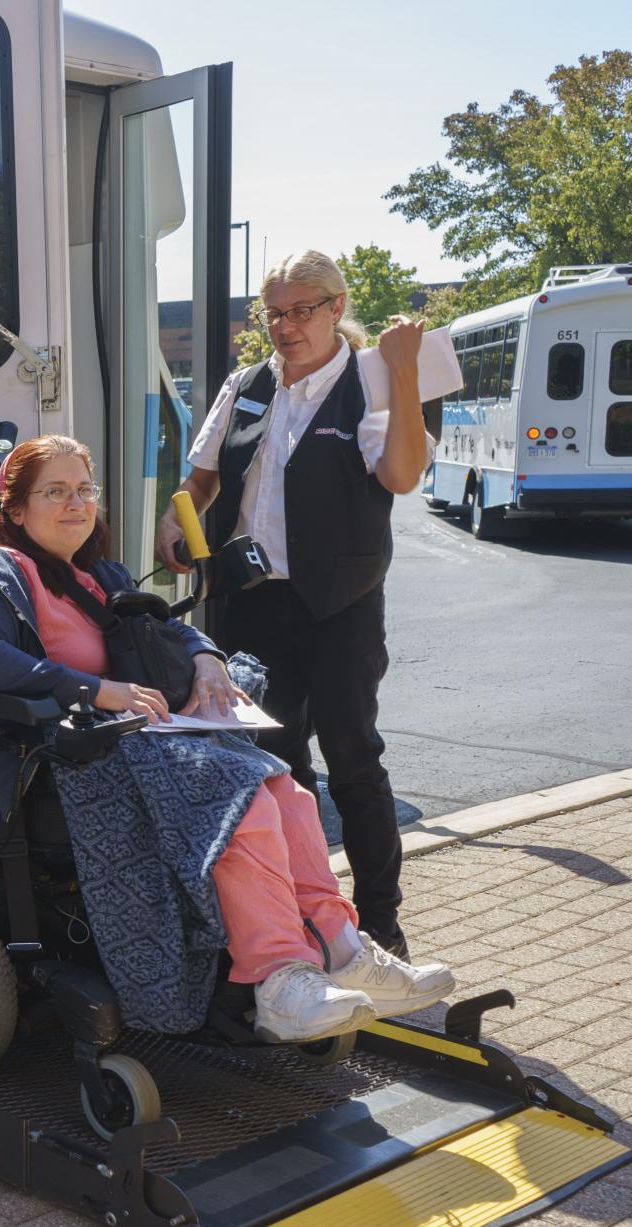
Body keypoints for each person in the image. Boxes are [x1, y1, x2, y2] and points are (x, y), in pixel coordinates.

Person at [0, 435, 453, 1042]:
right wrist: (93, 690)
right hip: (62, 756)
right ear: (15, 508)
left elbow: (161, 631)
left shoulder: (97, 574)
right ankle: (280, 975)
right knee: (242, 802)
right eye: (54, 491)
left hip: (136, 740)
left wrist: (207, 657)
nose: (75, 503)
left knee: (289, 794)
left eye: (84, 489)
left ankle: (340, 947)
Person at [155, 250, 432, 959]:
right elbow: (203, 479)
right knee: (272, 767)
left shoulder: (369, 382)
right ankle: (300, 919)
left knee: (353, 760)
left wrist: (403, 370)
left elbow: (401, 474)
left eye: (300, 310)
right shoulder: (247, 385)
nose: (285, 326)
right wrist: (175, 519)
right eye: (274, 313)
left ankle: (380, 925)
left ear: (337, 308)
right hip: (251, 606)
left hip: (340, 606)